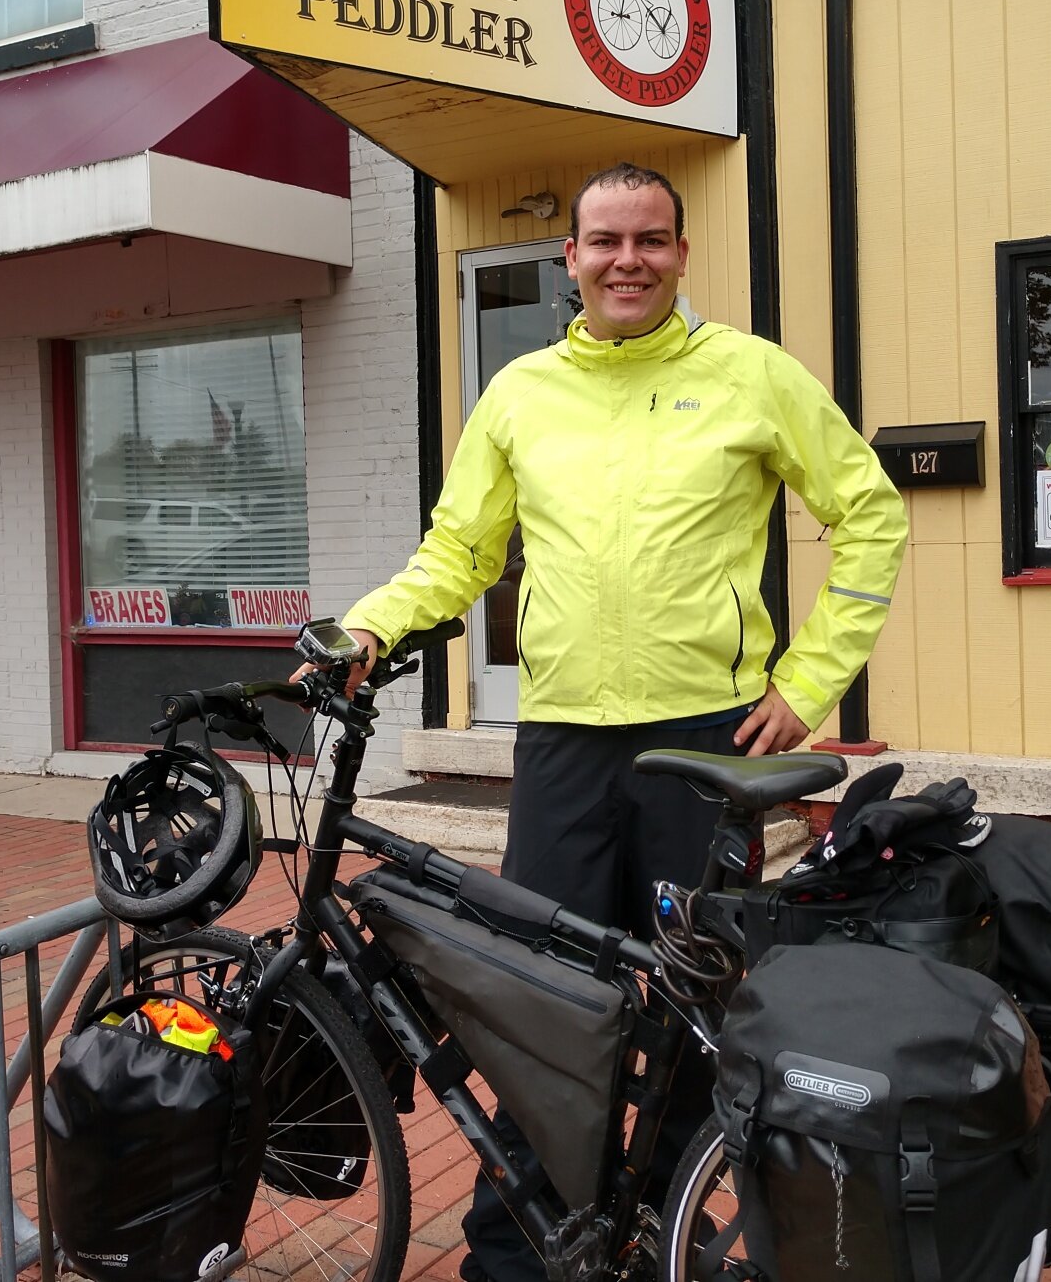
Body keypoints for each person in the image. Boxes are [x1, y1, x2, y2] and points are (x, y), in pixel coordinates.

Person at [329, 161, 907, 1282]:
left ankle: (679, 1230)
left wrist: (808, 682)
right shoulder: (517, 393)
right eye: (604, 241)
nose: (626, 260)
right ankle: (529, 1239)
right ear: (570, 260)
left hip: (706, 742)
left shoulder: (751, 374)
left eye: (649, 240)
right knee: (536, 1006)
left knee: (698, 1009)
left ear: (682, 254)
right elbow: (459, 554)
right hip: (560, 746)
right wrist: (367, 631)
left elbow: (869, 515)